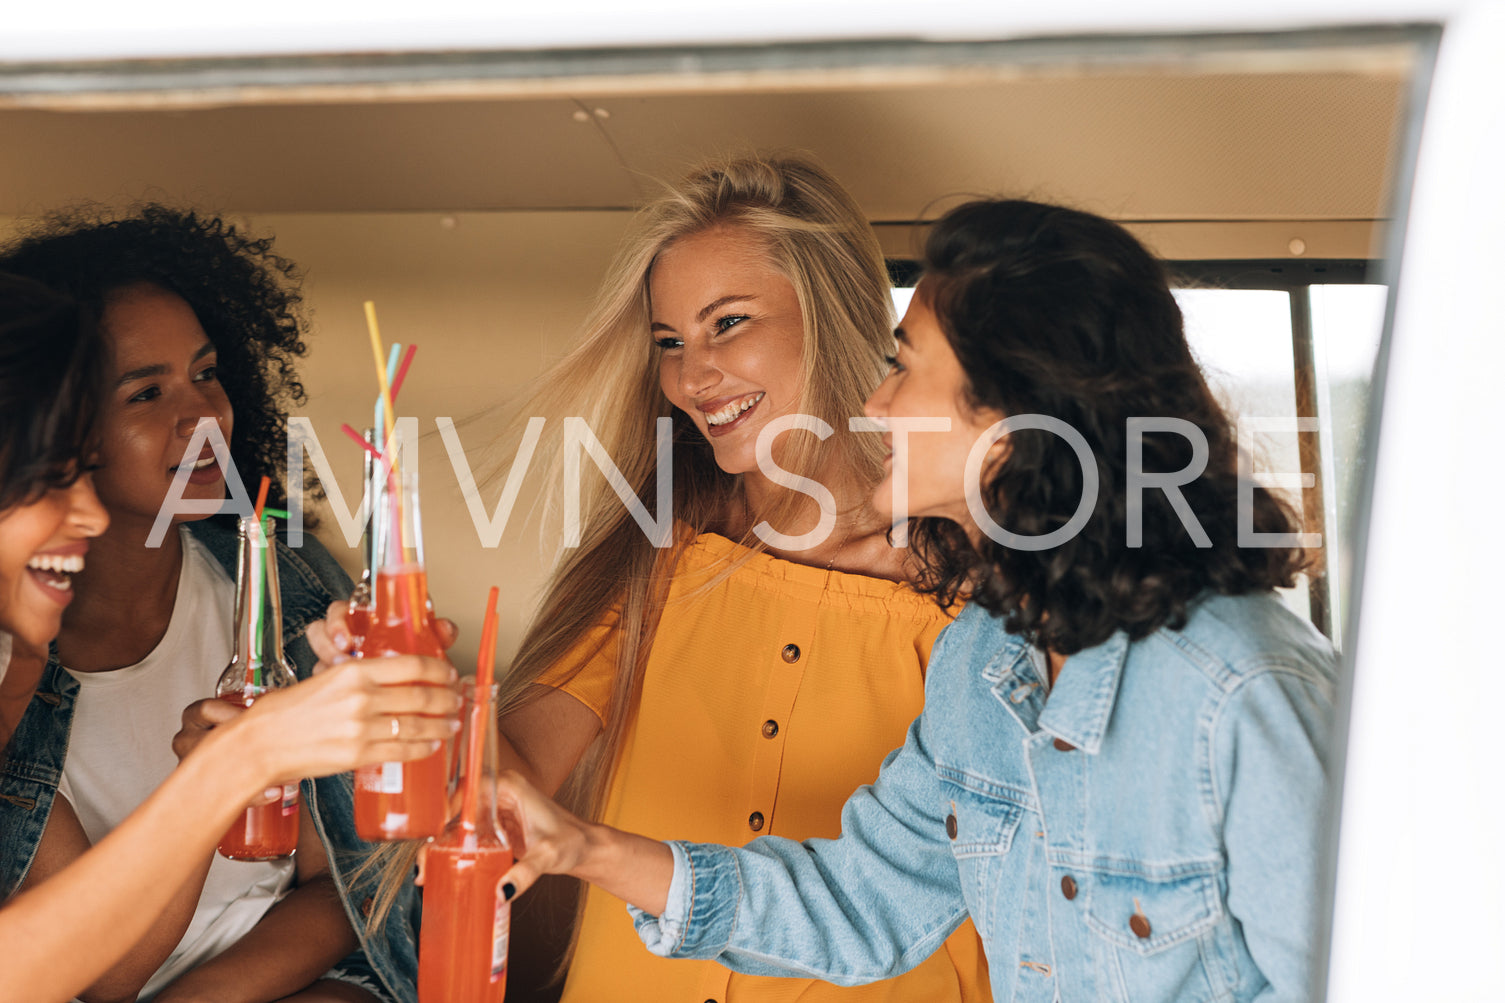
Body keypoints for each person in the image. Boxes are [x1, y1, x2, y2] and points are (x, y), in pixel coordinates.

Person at [481, 198, 1339, 1003]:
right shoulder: (987, 663)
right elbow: (859, 902)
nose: (874, 400)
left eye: (904, 367)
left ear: (1015, 410)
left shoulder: (1241, 686)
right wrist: (582, 846)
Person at [313, 155, 991, 1002]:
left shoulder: (979, 596)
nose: (690, 375)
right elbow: (506, 785)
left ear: (832, 314)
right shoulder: (658, 550)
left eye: (727, 323)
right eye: (668, 341)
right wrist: (410, 691)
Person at [0, 209, 450, 1003]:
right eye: (145, 391)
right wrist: (229, 767)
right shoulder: (15, 670)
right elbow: (84, 971)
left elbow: (356, 882)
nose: (205, 414)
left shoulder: (289, 587)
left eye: (207, 374)